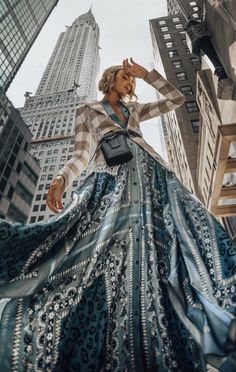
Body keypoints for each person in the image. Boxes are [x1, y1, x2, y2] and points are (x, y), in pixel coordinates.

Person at [0, 58, 235, 372]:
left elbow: (176, 100)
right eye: (126, 78)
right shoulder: (88, 111)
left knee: (167, 245)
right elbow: (82, 152)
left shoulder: (135, 111)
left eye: (132, 81)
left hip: (154, 178)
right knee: (110, 250)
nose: (130, 84)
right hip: (114, 179)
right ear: (110, 78)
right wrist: (62, 177)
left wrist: (147, 75)